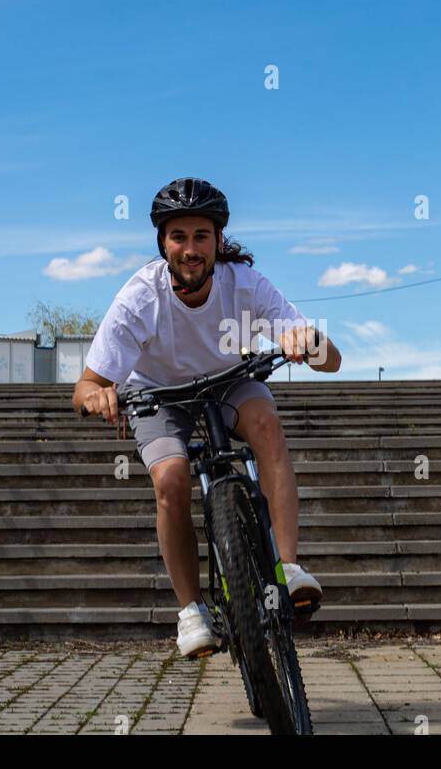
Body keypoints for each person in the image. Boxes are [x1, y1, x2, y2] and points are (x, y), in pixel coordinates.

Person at [74, 177, 342, 657]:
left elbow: (332, 360)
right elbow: (86, 385)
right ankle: (192, 612)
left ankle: (287, 568)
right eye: (179, 237)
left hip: (230, 380)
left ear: (219, 241)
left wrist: (309, 343)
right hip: (159, 393)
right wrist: (97, 396)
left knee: (266, 426)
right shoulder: (139, 298)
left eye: (201, 236)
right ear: (163, 244)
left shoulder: (244, 284)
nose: (190, 249)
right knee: (170, 480)